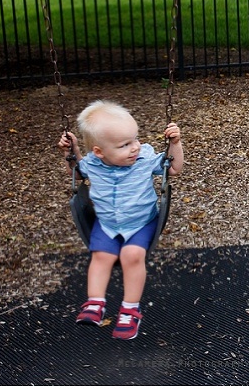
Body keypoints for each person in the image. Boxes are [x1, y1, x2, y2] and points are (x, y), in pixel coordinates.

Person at [58, 100, 184, 340]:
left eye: (135, 139)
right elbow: (77, 171)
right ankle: (95, 302)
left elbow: (174, 169)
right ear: (99, 152)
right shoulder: (93, 164)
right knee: (101, 257)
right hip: (107, 224)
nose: (135, 147)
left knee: (131, 255)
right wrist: (70, 152)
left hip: (141, 223)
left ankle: (130, 309)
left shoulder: (144, 159)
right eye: (125, 145)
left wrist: (175, 143)